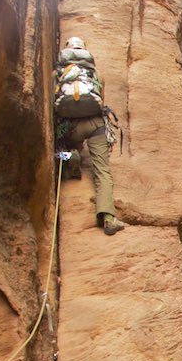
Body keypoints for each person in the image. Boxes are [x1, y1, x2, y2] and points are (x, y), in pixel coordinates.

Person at [55, 37, 125, 235]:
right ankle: (108, 218)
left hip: (69, 127)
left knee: (57, 152)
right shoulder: (95, 74)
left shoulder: (58, 74)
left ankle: (70, 156)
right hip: (96, 125)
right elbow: (101, 100)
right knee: (103, 171)